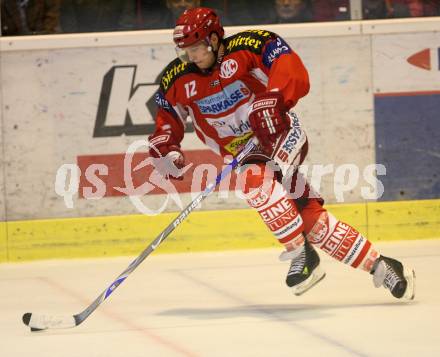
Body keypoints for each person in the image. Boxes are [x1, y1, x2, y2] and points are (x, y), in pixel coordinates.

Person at [148, 7, 416, 299]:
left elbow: (290, 68)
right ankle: (383, 266)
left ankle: (302, 255)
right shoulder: (176, 79)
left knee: (253, 182)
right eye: (185, 51)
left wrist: (274, 98)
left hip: (280, 135)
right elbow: (166, 119)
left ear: (214, 39)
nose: (192, 57)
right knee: (310, 221)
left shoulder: (250, 45)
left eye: (197, 48)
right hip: (243, 154)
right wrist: (165, 147)